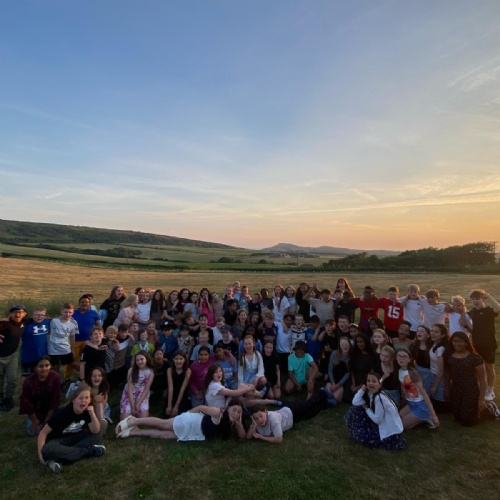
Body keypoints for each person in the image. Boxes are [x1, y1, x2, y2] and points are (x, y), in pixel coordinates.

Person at [37, 386, 107, 474]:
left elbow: (95, 431)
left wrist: (92, 413)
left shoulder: (87, 411)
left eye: (87, 398)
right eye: (80, 398)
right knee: (48, 450)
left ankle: (61, 457)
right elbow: (43, 433)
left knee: (103, 424)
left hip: (76, 437)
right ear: (74, 400)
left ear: (90, 400)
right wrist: (40, 454)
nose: (84, 401)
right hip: (58, 440)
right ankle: (89, 451)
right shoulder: (61, 412)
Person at [115, 399, 246, 441]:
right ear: (228, 408)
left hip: (195, 433)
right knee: (163, 424)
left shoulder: (230, 422)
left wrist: (239, 424)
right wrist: (186, 415)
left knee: (164, 435)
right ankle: (134, 421)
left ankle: (134, 432)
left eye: (239, 412)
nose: (236, 413)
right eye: (234, 409)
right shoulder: (218, 412)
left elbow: (243, 437)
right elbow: (200, 408)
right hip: (192, 421)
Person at [344, 371, 407, 450]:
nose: (371, 383)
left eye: (374, 381)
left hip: (389, 431)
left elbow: (378, 420)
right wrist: (362, 389)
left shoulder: (379, 397)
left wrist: (367, 409)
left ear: (379, 385)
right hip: (381, 422)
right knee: (356, 409)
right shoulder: (370, 394)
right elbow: (355, 402)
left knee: (362, 436)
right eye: (368, 381)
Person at [448, 332, 494, 426]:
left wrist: (481, 399)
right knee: (457, 417)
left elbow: (482, 380)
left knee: (467, 421)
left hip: (470, 390)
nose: (456, 344)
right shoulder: (451, 355)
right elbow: (448, 373)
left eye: (460, 341)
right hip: (456, 389)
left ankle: (490, 409)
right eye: (454, 341)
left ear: (466, 343)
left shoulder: (475, 358)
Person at [246, 392, 329, 444]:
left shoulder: (273, 419)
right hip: (292, 420)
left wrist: (262, 438)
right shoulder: (256, 423)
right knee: (311, 414)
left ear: (266, 412)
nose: (260, 420)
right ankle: (326, 403)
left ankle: (323, 393)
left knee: (309, 404)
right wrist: (254, 424)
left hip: (292, 411)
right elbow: (248, 437)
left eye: (261, 416)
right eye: (256, 418)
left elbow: (279, 439)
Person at [467, 289, 500, 401]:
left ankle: (490, 390)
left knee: (489, 367)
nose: (475, 301)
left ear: (483, 299)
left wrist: (488, 295)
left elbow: (498, 308)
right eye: (473, 299)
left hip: (489, 344)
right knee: (478, 368)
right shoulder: (472, 312)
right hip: (476, 344)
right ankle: (481, 387)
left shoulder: (489, 311)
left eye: (478, 298)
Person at [396, 348, 439, 430]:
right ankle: (420, 419)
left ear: (409, 359)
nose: (401, 358)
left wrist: (434, 416)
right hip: (410, 403)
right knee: (396, 420)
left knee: (400, 426)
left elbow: (424, 394)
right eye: (399, 356)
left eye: (404, 356)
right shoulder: (399, 371)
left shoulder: (412, 373)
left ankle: (427, 416)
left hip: (420, 405)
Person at [19, 356, 61, 435]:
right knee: (32, 432)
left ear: (51, 366)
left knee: (55, 429)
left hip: (51, 410)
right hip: (36, 412)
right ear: (35, 368)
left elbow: (56, 399)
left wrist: (48, 418)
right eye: (41, 366)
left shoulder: (55, 377)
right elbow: (27, 402)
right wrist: (34, 419)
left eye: (47, 365)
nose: (44, 369)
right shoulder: (28, 381)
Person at [0, 304, 27, 411]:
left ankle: (8, 399)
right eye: (15, 312)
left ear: (24, 314)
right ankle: (0, 400)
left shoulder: (24, 322)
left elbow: (40, 317)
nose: (17, 314)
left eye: (20, 312)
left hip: (12, 356)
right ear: (11, 314)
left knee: (12, 380)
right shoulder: (4, 324)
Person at [119, 351, 154, 421]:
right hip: (130, 394)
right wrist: (132, 406)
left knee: (144, 419)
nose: (139, 362)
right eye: (137, 360)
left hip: (142, 393)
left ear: (146, 359)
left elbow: (147, 388)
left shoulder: (150, 372)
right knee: (124, 419)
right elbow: (130, 389)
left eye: (142, 359)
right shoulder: (131, 370)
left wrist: (138, 404)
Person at [20, 307, 50, 376]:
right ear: (32, 315)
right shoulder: (25, 324)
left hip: (42, 355)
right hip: (28, 356)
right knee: (28, 377)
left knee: (42, 375)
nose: (39, 317)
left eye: (42, 315)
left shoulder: (47, 322)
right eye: (37, 315)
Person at [428, 324, 450, 410]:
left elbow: (441, 371)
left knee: (439, 404)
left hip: (438, 378)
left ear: (443, 335)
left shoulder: (440, 349)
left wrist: (435, 386)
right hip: (432, 374)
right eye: (432, 331)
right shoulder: (434, 344)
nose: (433, 333)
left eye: (436, 332)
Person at [325, 336, 351, 405]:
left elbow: (348, 374)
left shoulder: (351, 357)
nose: (344, 346)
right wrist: (333, 383)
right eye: (342, 344)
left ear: (349, 345)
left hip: (342, 382)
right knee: (328, 394)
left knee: (335, 399)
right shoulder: (334, 353)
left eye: (346, 344)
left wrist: (338, 385)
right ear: (339, 346)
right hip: (332, 379)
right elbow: (330, 370)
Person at [166, 351, 191, 417]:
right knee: (168, 414)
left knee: (179, 414)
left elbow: (183, 389)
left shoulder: (187, 371)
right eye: (176, 359)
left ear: (184, 360)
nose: (178, 361)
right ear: (173, 360)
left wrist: (176, 406)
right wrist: (169, 405)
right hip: (172, 394)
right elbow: (170, 388)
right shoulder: (169, 370)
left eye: (181, 359)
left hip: (182, 395)